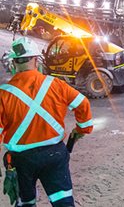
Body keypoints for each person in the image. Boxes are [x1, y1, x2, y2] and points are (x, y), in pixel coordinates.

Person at [0, 37, 93, 207]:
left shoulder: (3, 93)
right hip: (54, 155)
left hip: (22, 161)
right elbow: (83, 103)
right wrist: (82, 129)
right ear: (36, 60)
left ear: (14, 63)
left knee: (26, 203)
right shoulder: (56, 84)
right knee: (63, 202)